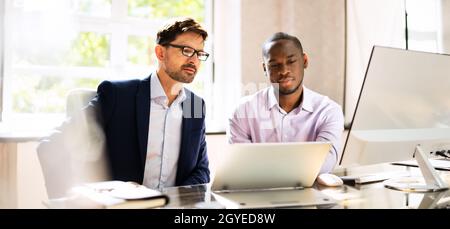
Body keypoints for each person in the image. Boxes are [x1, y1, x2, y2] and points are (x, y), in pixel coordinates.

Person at [38, 18, 210, 196]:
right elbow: (53, 144)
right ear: (160, 53)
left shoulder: (195, 105)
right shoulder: (118, 96)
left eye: (200, 54)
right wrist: (71, 200)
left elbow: (201, 169)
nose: (194, 60)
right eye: (187, 50)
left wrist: (177, 199)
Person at [227, 32, 344, 173]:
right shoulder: (243, 112)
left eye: (291, 61)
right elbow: (242, 169)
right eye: (274, 65)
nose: (284, 71)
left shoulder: (328, 112)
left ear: (305, 61)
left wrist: (265, 167)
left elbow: (323, 165)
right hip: (259, 194)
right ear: (265, 68)